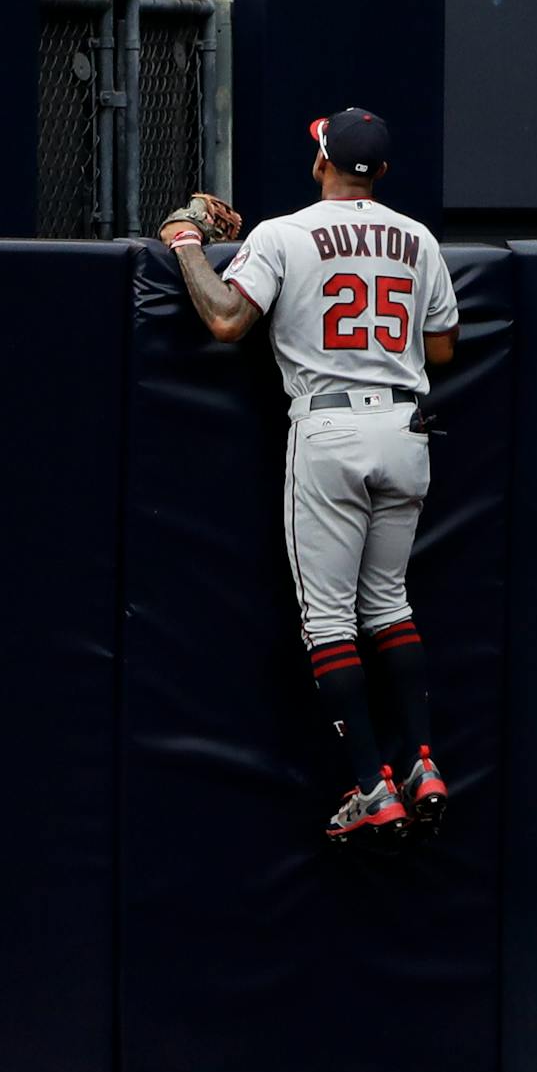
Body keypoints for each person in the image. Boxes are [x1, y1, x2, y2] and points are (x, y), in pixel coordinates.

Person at [159, 108, 460, 846]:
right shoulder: (417, 237)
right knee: (388, 603)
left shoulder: (282, 232)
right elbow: (443, 348)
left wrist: (191, 245)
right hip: (406, 425)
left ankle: (370, 786)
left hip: (328, 427)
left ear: (320, 160)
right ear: (381, 173)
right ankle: (422, 764)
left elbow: (227, 321)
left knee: (328, 621)